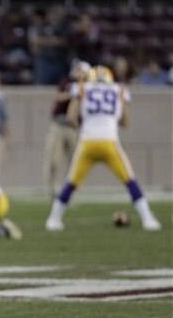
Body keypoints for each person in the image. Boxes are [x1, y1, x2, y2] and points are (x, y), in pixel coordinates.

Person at [45, 66, 162, 232]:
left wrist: (85, 125)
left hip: (88, 142)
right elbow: (125, 123)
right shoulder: (119, 90)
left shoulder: (82, 88)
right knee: (130, 181)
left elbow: (71, 117)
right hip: (109, 143)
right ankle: (148, 219)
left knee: (71, 182)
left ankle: (53, 219)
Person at [42, 59, 89, 197]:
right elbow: (59, 97)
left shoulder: (88, 87)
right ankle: (51, 188)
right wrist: (74, 93)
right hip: (59, 125)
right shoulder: (67, 83)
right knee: (53, 160)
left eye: (80, 70)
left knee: (75, 161)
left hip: (74, 127)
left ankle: (72, 191)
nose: (76, 71)